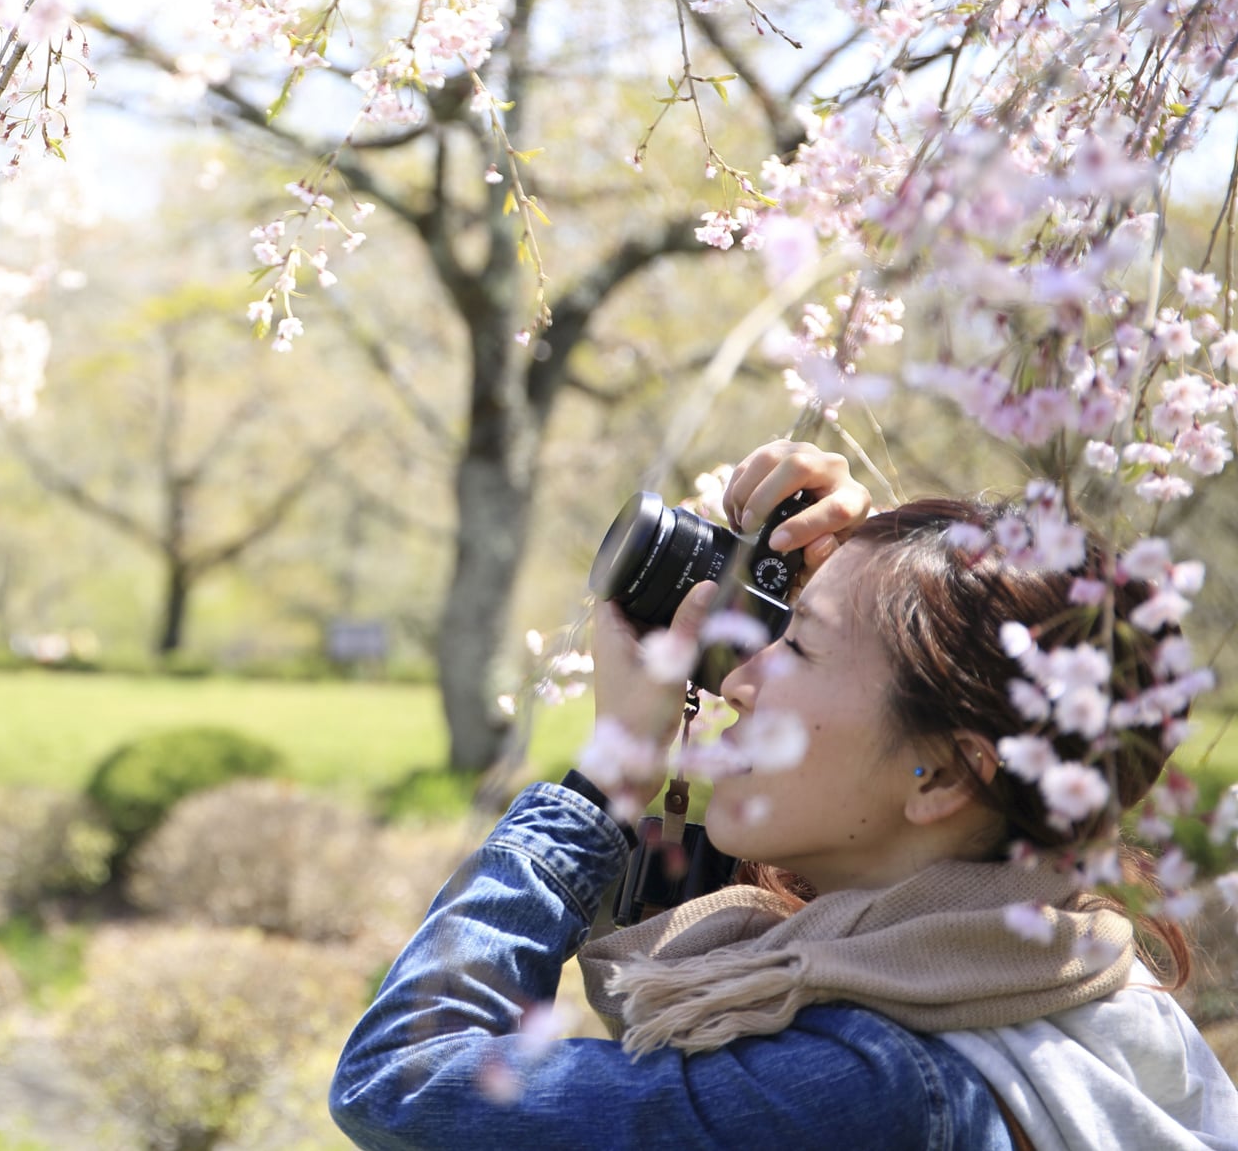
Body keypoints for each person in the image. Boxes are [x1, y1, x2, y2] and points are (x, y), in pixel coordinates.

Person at [331, 441, 1238, 1151]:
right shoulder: (1072, 995)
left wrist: (607, 776)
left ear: (948, 775)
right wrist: (857, 587)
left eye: (795, 646)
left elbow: (404, 1075)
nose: (739, 678)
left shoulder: (866, 1093)